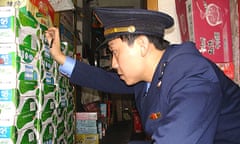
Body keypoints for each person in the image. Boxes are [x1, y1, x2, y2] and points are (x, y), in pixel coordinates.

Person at [45, 7, 240, 144]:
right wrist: (61, 58)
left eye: (115, 52)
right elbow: (105, 79)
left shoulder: (192, 75)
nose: (113, 63)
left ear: (142, 45)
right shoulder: (150, 76)